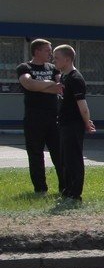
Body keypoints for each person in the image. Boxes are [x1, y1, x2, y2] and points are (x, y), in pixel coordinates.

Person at [15, 38, 63, 195]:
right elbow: (28, 84)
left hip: (54, 118)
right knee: (36, 154)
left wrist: (39, 86)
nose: (51, 53)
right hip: (33, 119)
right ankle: (40, 189)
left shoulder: (53, 68)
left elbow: (60, 88)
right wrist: (48, 84)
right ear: (37, 51)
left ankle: (65, 186)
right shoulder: (24, 67)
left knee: (59, 153)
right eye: (47, 50)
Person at [52, 44, 96, 203]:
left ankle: (75, 195)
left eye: (56, 58)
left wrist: (87, 122)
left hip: (73, 124)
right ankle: (67, 191)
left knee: (73, 159)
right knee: (64, 159)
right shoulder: (64, 76)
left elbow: (82, 105)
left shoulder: (76, 78)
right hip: (64, 124)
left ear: (67, 59)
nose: (54, 60)